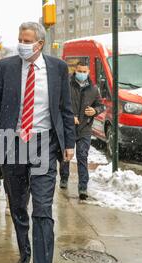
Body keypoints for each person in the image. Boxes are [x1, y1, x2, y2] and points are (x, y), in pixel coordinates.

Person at [0, 22, 75, 263]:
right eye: (20, 39)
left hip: (45, 144)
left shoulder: (58, 68)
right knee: (18, 205)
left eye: (27, 40)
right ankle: (25, 252)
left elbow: (65, 108)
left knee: (43, 210)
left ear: (40, 44)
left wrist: (69, 143)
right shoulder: (6, 67)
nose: (22, 43)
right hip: (12, 143)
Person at [58, 60, 104, 198]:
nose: (82, 74)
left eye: (84, 72)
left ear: (88, 72)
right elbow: (58, 104)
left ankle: (83, 187)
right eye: (80, 71)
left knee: (82, 156)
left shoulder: (93, 89)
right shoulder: (66, 85)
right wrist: (69, 116)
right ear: (75, 71)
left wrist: (95, 111)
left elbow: (101, 105)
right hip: (68, 127)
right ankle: (64, 178)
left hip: (85, 128)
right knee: (66, 155)